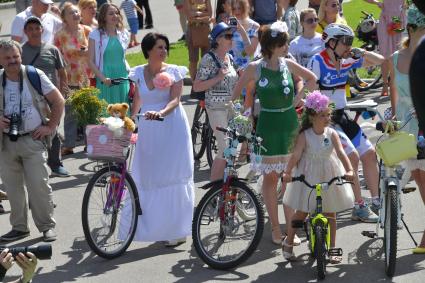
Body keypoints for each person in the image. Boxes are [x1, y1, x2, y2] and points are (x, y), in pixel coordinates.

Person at [233, 21, 317, 245]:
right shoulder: (255, 68)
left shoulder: (288, 64)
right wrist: (242, 115)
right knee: (271, 178)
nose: (287, 46)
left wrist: (298, 100)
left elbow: (311, 79)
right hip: (267, 125)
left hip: (290, 123)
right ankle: (275, 228)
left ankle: (291, 230)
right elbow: (236, 93)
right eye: (283, 43)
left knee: (289, 177)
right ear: (273, 45)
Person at [308, 23, 385, 222]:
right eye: (346, 42)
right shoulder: (318, 61)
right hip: (326, 120)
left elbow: (381, 61)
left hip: (342, 116)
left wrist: (360, 52)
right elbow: (311, 94)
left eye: (350, 41)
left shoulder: (347, 59)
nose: (349, 46)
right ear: (331, 42)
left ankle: (376, 202)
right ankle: (359, 206)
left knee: (369, 153)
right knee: (352, 158)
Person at [127, 32, 194, 246]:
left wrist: (161, 113)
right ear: (148, 50)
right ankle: (153, 226)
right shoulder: (137, 72)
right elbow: (138, 98)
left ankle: (177, 229)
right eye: (159, 47)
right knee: (150, 174)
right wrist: (129, 122)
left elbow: (175, 100)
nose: (164, 51)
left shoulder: (174, 71)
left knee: (172, 175)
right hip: (148, 127)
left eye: (166, 47)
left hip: (171, 125)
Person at [0, 40, 65, 242]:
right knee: (12, 188)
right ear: (0, 60)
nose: (12, 61)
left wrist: (50, 126)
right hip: (5, 142)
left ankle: (46, 226)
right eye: (7, 58)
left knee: (39, 185)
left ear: (21, 56)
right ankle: (19, 228)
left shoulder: (34, 75)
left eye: (15, 57)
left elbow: (58, 101)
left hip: (32, 139)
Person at [282, 91, 354, 263]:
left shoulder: (332, 133)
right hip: (308, 175)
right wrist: (287, 172)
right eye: (323, 115)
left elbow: (341, 153)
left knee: (330, 212)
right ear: (313, 116)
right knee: (302, 211)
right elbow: (296, 155)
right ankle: (289, 241)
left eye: (328, 115)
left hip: (329, 174)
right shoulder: (304, 135)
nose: (327, 118)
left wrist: (350, 169)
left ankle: (333, 247)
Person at [390, 3, 425, 254]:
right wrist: (391, 120)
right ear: (411, 29)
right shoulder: (395, 58)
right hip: (405, 125)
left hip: (423, 123)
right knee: (420, 180)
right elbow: (393, 94)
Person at [22, 16, 69, 177]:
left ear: (42, 30)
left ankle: (55, 163)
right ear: (25, 32)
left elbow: (62, 73)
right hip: (31, 99)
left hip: (51, 97)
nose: (34, 32)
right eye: (30, 29)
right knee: (33, 130)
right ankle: (34, 165)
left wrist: (62, 93)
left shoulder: (52, 49)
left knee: (54, 129)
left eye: (37, 28)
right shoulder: (21, 51)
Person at [193, 23, 239, 181]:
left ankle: (229, 188)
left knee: (232, 148)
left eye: (232, 35)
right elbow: (197, 85)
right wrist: (217, 78)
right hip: (216, 108)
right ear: (218, 40)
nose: (231, 39)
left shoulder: (230, 57)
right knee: (225, 148)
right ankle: (214, 189)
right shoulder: (209, 59)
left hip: (231, 108)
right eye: (228, 36)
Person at [55, 3, 93, 156]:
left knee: (88, 112)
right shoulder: (60, 35)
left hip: (87, 77)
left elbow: (96, 50)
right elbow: (56, 56)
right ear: (64, 18)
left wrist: (86, 52)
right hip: (69, 77)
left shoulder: (87, 30)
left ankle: (90, 143)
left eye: (77, 12)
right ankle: (69, 144)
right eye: (72, 13)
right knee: (70, 112)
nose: (76, 14)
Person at [88, 3, 130, 105]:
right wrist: (102, 78)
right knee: (106, 111)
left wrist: (129, 71)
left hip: (122, 75)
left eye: (117, 13)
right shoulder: (95, 34)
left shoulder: (124, 33)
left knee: (123, 111)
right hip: (105, 77)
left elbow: (122, 57)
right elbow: (90, 61)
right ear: (104, 17)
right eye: (111, 14)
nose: (115, 16)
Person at [363, 0, 406, 97]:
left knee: (400, 54)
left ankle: (397, 86)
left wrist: (407, 5)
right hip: (385, 20)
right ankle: (385, 85)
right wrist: (377, 2)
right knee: (385, 54)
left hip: (399, 19)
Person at [184, 0, 212, 80]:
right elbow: (189, 17)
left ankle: (204, 82)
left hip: (205, 31)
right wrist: (203, 17)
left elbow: (210, 14)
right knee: (193, 60)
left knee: (206, 59)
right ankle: (194, 84)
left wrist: (196, 14)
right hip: (192, 31)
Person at [229, 0, 260, 70]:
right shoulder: (231, 24)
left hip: (250, 67)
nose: (236, 11)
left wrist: (242, 32)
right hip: (232, 67)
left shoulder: (255, 26)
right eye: (234, 9)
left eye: (239, 8)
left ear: (245, 8)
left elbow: (250, 52)